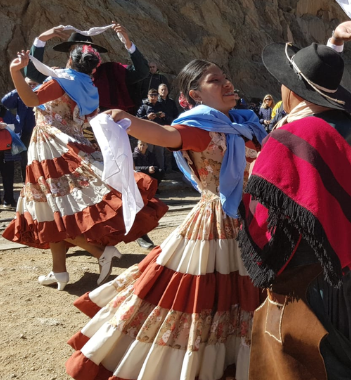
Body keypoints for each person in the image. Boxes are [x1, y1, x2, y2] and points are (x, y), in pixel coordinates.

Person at [65, 58, 268, 380]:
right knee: (203, 298)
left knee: (237, 298)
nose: (228, 84)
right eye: (216, 80)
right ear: (196, 94)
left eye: (226, 77)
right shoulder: (201, 128)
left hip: (253, 219)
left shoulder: (246, 124)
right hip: (219, 223)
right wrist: (128, 119)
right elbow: (165, 133)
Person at [240, 26, 351, 379]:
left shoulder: (291, 135)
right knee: (338, 344)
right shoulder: (334, 126)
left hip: (302, 276)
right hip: (338, 266)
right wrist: (334, 46)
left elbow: (266, 210)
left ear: (292, 90)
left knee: (306, 358)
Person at [3, 47, 167, 291]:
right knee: (55, 207)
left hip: (50, 146)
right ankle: (59, 270)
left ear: (70, 59)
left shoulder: (63, 81)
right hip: (74, 141)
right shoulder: (90, 86)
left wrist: (14, 71)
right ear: (93, 68)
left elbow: (30, 100)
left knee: (50, 208)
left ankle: (99, 251)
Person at [26, 24, 150, 113]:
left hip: (107, 130)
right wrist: (41, 40)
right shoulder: (62, 76)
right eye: (76, 49)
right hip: (72, 136)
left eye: (85, 49)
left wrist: (129, 45)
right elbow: (32, 72)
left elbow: (142, 72)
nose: (81, 53)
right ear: (70, 54)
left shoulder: (111, 71)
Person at [2, 77, 39, 183]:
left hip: (40, 132)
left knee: (39, 158)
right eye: (29, 85)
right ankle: (27, 182)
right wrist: (20, 88)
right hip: (24, 133)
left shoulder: (43, 94)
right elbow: (5, 102)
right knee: (25, 160)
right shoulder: (21, 95)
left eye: (33, 84)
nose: (31, 87)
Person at [137, 88, 168, 171]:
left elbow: (168, 119)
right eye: (151, 95)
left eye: (155, 95)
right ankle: (149, 170)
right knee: (148, 152)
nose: (153, 97)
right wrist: (147, 117)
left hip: (159, 133)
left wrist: (164, 116)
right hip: (148, 133)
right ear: (148, 96)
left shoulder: (161, 106)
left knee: (160, 153)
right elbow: (137, 119)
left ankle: (161, 171)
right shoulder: (144, 106)